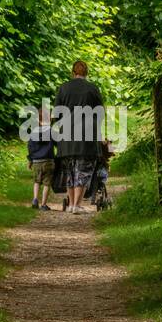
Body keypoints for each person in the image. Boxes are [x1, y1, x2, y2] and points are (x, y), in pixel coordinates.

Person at [53, 60, 104, 214]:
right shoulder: (92, 89)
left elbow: (57, 115)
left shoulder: (63, 88)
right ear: (86, 73)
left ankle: (70, 205)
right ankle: (76, 204)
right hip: (86, 136)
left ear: (72, 72)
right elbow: (100, 113)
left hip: (67, 137)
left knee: (69, 170)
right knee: (83, 169)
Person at [27, 106, 55, 210]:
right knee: (47, 183)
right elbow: (57, 143)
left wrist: (30, 160)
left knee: (36, 181)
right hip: (48, 161)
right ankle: (43, 204)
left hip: (36, 161)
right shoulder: (51, 131)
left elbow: (30, 146)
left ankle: (35, 199)